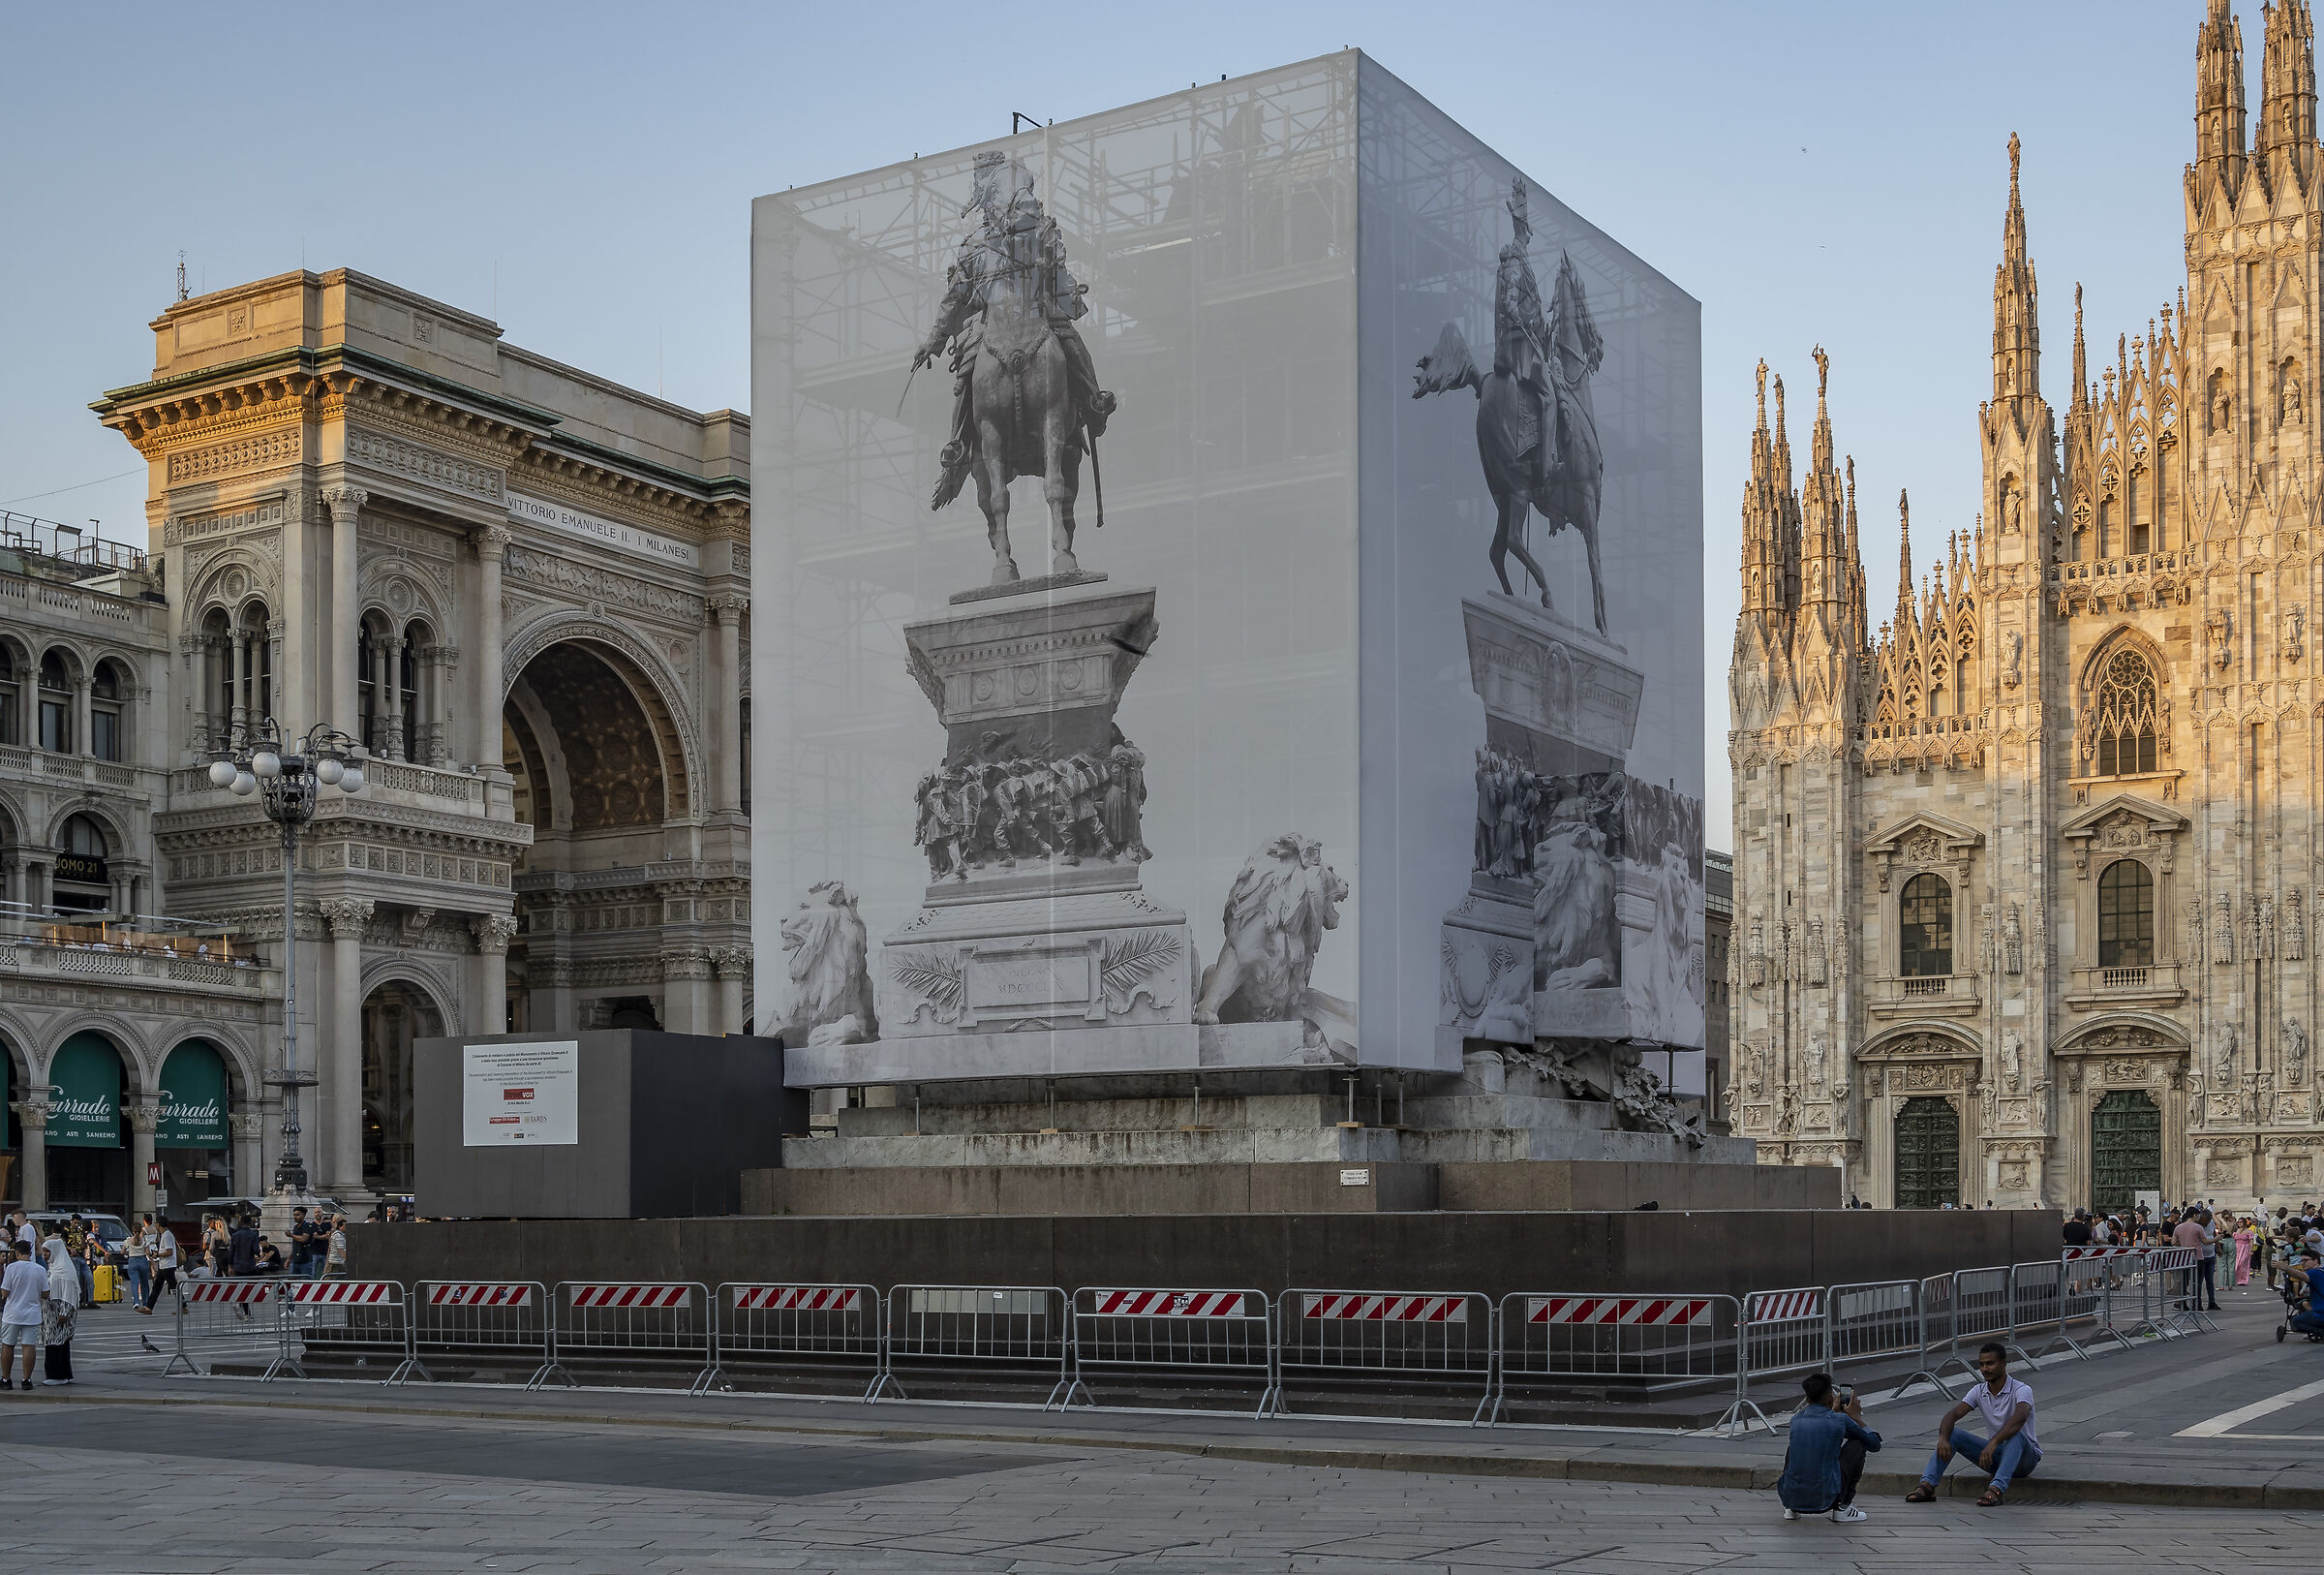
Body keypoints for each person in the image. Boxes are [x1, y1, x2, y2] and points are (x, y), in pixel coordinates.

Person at [1906, 1343, 2039, 1508]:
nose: (1985, 1368)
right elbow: (1951, 1416)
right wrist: (1943, 1438)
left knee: (2016, 1435)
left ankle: (1996, 1489)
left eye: (1990, 1363)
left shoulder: (2021, 1389)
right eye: (1981, 1364)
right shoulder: (1978, 1390)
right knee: (1953, 1434)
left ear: (2004, 1363)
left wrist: (1993, 1442)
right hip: (1996, 1454)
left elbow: (2019, 1418)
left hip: (2025, 1459)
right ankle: (1927, 1486)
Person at [1778, 1372, 1881, 1523]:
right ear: (1831, 1397)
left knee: (1796, 1447)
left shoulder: (1796, 1419)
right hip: (1827, 1498)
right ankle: (1843, 1507)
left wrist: (1835, 1413)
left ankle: (1791, 1509)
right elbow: (1874, 1444)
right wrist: (1856, 1417)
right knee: (1858, 1443)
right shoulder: (1840, 1419)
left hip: (1790, 1498)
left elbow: (1823, 1428)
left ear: (1807, 1398)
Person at [0, 1239, 42, 1392]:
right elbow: (45, 1293)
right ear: (30, 1253)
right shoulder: (39, 1269)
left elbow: (5, 1292)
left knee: (8, 1345)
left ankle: (6, 1379)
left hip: (12, 1313)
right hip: (32, 1312)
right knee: (29, 1346)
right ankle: (26, 1379)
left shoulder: (11, 1268)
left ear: (17, 1253)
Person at [39, 1234, 76, 1386]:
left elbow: (69, 1293)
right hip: (50, 1312)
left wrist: (64, 1313)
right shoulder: (55, 1267)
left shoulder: (64, 1270)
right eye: (44, 1251)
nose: (45, 1254)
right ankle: (65, 1373)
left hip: (59, 1313)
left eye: (48, 1251)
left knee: (55, 1344)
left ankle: (56, 1375)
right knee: (59, 1343)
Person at [142, 1223, 178, 1313]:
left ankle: (183, 1306)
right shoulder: (166, 1235)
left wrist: (158, 1254)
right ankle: (149, 1307)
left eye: (156, 1224)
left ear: (159, 1225)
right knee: (157, 1287)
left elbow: (169, 1251)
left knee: (173, 1287)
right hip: (164, 1265)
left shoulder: (167, 1235)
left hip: (168, 1266)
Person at [121, 1216, 152, 1312]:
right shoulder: (145, 1241)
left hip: (132, 1261)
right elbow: (148, 1252)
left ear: (132, 1230)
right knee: (144, 1283)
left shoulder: (128, 1240)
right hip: (143, 1261)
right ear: (141, 1230)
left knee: (134, 1283)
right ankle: (146, 1302)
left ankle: (136, 1302)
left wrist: (129, 1253)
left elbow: (122, 1252)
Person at [287, 1208, 316, 1280]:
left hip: (305, 1260)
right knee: (292, 1283)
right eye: (294, 1215)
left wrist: (291, 1235)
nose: (295, 1217)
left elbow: (304, 1239)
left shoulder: (308, 1226)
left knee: (306, 1284)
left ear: (304, 1215)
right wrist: (289, 1258)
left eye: (298, 1215)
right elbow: (295, 1244)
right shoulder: (295, 1227)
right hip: (295, 1260)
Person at [228, 1213, 259, 1278]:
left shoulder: (235, 1235)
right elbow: (256, 1250)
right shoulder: (253, 1234)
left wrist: (230, 1266)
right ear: (250, 1223)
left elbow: (231, 1251)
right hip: (250, 1266)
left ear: (241, 1222)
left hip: (237, 1266)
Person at [2235, 1215, 2257, 1289]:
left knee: (2243, 1264)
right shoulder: (2237, 1230)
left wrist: (2251, 1250)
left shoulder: (2249, 1231)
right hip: (2237, 1248)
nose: (2239, 1223)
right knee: (2237, 1264)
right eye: (2238, 1222)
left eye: (2241, 1222)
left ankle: (2244, 1280)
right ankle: (2237, 1279)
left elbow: (2251, 1241)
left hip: (2245, 1248)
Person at [323, 1215, 348, 1279]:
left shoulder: (339, 1235)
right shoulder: (338, 1236)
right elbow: (341, 1250)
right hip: (335, 1262)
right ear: (340, 1226)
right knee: (331, 1280)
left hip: (337, 1261)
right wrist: (348, 1260)